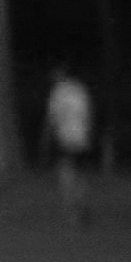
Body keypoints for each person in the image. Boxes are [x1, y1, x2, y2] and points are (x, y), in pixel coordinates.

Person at [45, 66, 94, 224]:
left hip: (66, 137)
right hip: (82, 137)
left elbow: (52, 117)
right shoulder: (80, 89)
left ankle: (72, 209)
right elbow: (88, 114)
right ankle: (82, 203)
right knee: (81, 173)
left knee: (66, 173)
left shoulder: (58, 92)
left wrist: (47, 137)